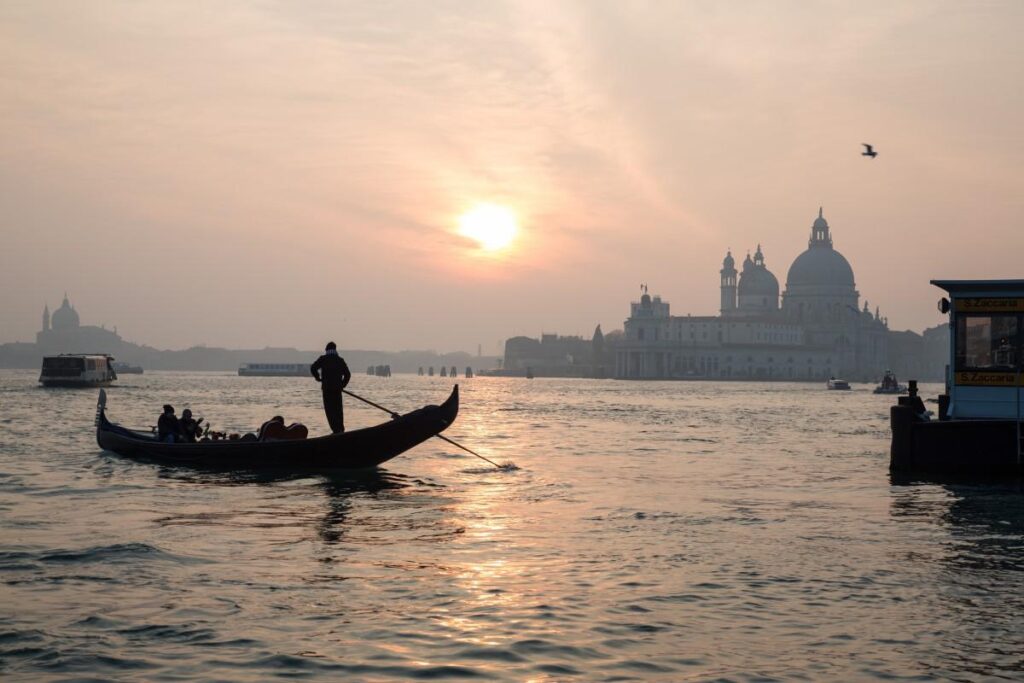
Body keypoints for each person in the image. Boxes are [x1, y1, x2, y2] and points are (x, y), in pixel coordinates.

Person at [311, 341, 351, 433]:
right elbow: (348, 374)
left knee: (330, 410)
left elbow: (313, 368)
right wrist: (342, 385)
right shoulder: (340, 360)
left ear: (327, 350)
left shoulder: (323, 359)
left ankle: (335, 430)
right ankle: (340, 429)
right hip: (337, 389)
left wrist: (318, 377)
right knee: (338, 410)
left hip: (327, 389)